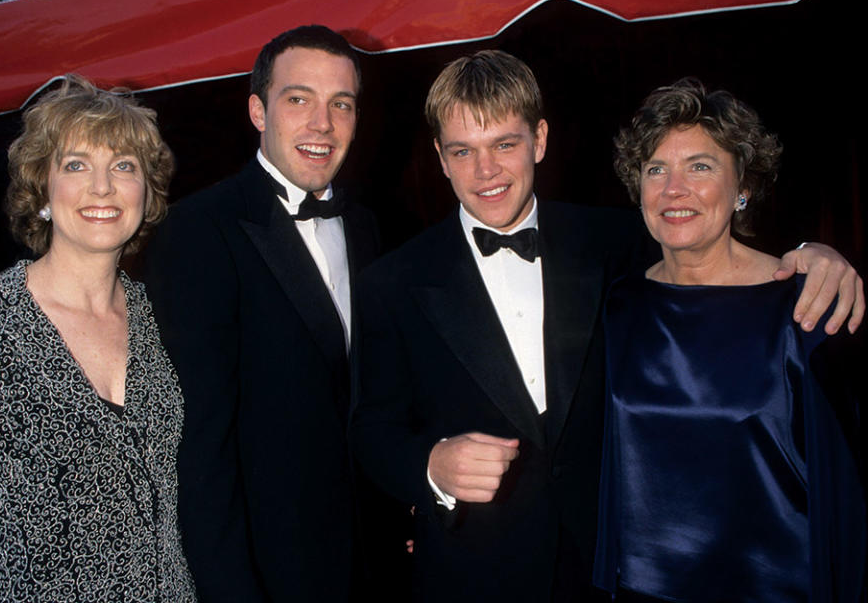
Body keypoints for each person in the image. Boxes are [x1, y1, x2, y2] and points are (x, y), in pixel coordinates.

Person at [349, 50, 864, 602]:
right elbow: (369, 430)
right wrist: (430, 467)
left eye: (505, 144)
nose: (486, 171)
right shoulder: (391, 282)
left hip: (609, 571)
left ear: (539, 140)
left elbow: (703, 241)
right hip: (473, 574)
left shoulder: (612, 243)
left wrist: (814, 251)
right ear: (440, 158)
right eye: (462, 151)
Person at [0, 75, 196, 602]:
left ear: (147, 192)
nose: (102, 187)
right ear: (42, 187)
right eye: (76, 165)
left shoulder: (169, 324)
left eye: (124, 166)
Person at [593, 79, 866, 602]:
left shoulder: (806, 310)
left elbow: (850, 500)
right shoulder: (617, 305)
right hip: (642, 592)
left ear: (743, 186)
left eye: (700, 166)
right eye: (656, 170)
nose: (675, 189)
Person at [143, 25, 385, 602]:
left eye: (341, 104)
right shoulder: (199, 231)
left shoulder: (368, 226)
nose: (322, 124)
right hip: (271, 571)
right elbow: (200, 446)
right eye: (298, 99)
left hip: (371, 562)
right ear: (258, 110)